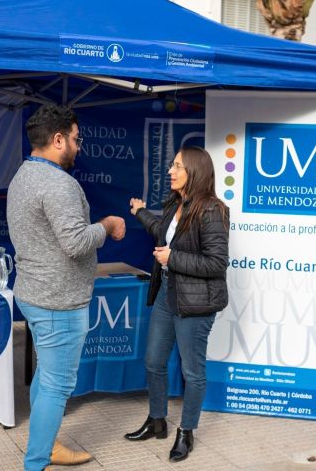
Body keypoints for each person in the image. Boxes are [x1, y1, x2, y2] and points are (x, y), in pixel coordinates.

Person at [7, 105, 126, 471]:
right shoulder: (58, 183)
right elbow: (75, 242)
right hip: (57, 302)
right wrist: (107, 225)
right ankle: (37, 461)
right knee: (58, 384)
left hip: (35, 293)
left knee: (48, 375)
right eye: (75, 139)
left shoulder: (23, 175)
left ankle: (47, 444)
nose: (79, 146)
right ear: (58, 139)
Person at [125, 146, 229, 462]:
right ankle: (157, 421)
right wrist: (141, 212)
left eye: (177, 166)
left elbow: (217, 263)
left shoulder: (212, 210)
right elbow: (163, 232)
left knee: (192, 371)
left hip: (196, 302)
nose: (170, 170)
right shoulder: (175, 203)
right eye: (171, 165)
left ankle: (186, 431)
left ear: (194, 172)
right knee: (154, 361)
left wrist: (174, 259)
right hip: (168, 293)